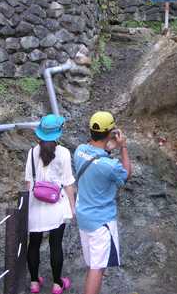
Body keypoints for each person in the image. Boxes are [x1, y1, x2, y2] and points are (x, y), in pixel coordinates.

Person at [74, 111, 132, 294]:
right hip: (101, 222)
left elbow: (96, 158)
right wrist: (123, 147)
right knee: (97, 269)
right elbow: (126, 174)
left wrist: (107, 149)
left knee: (93, 265)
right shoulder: (110, 166)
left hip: (84, 218)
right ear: (111, 133)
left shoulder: (79, 151)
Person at [25, 114, 76, 294]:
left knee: (34, 244)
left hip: (35, 204)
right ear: (58, 133)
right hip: (56, 205)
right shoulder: (63, 153)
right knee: (56, 244)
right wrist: (72, 206)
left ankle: (34, 282)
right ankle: (56, 284)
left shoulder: (32, 152)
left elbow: (28, 183)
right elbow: (68, 183)